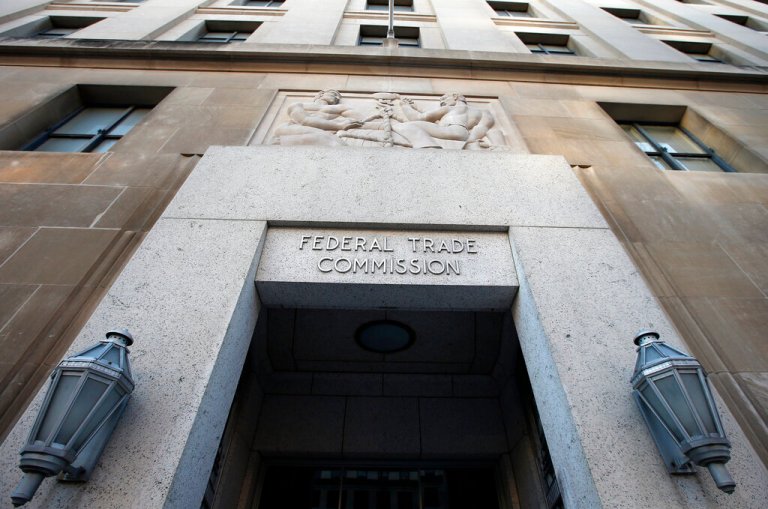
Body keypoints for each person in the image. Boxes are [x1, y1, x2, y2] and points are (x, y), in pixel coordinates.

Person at [392, 93, 501, 149]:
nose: (442, 102)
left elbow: (420, 118)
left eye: (444, 98)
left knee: (402, 126)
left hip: (448, 129)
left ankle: (428, 146)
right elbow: (482, 128)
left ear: (455, 97)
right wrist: (469, 141)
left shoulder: (450, 108)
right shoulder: (483, 112)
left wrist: (405, 106)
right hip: (463, 133)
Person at [272, 89, 364, 146]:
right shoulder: (298, 105)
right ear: (320, 94)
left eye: (337, 96)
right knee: (330, 140)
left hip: (321, 132)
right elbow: (303, 120)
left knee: (337, 143)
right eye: (332, 93)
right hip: (290, 128)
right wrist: (339, 125)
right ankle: (280, 143)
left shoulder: (339, 108)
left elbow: (360, 120)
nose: (336, 97)